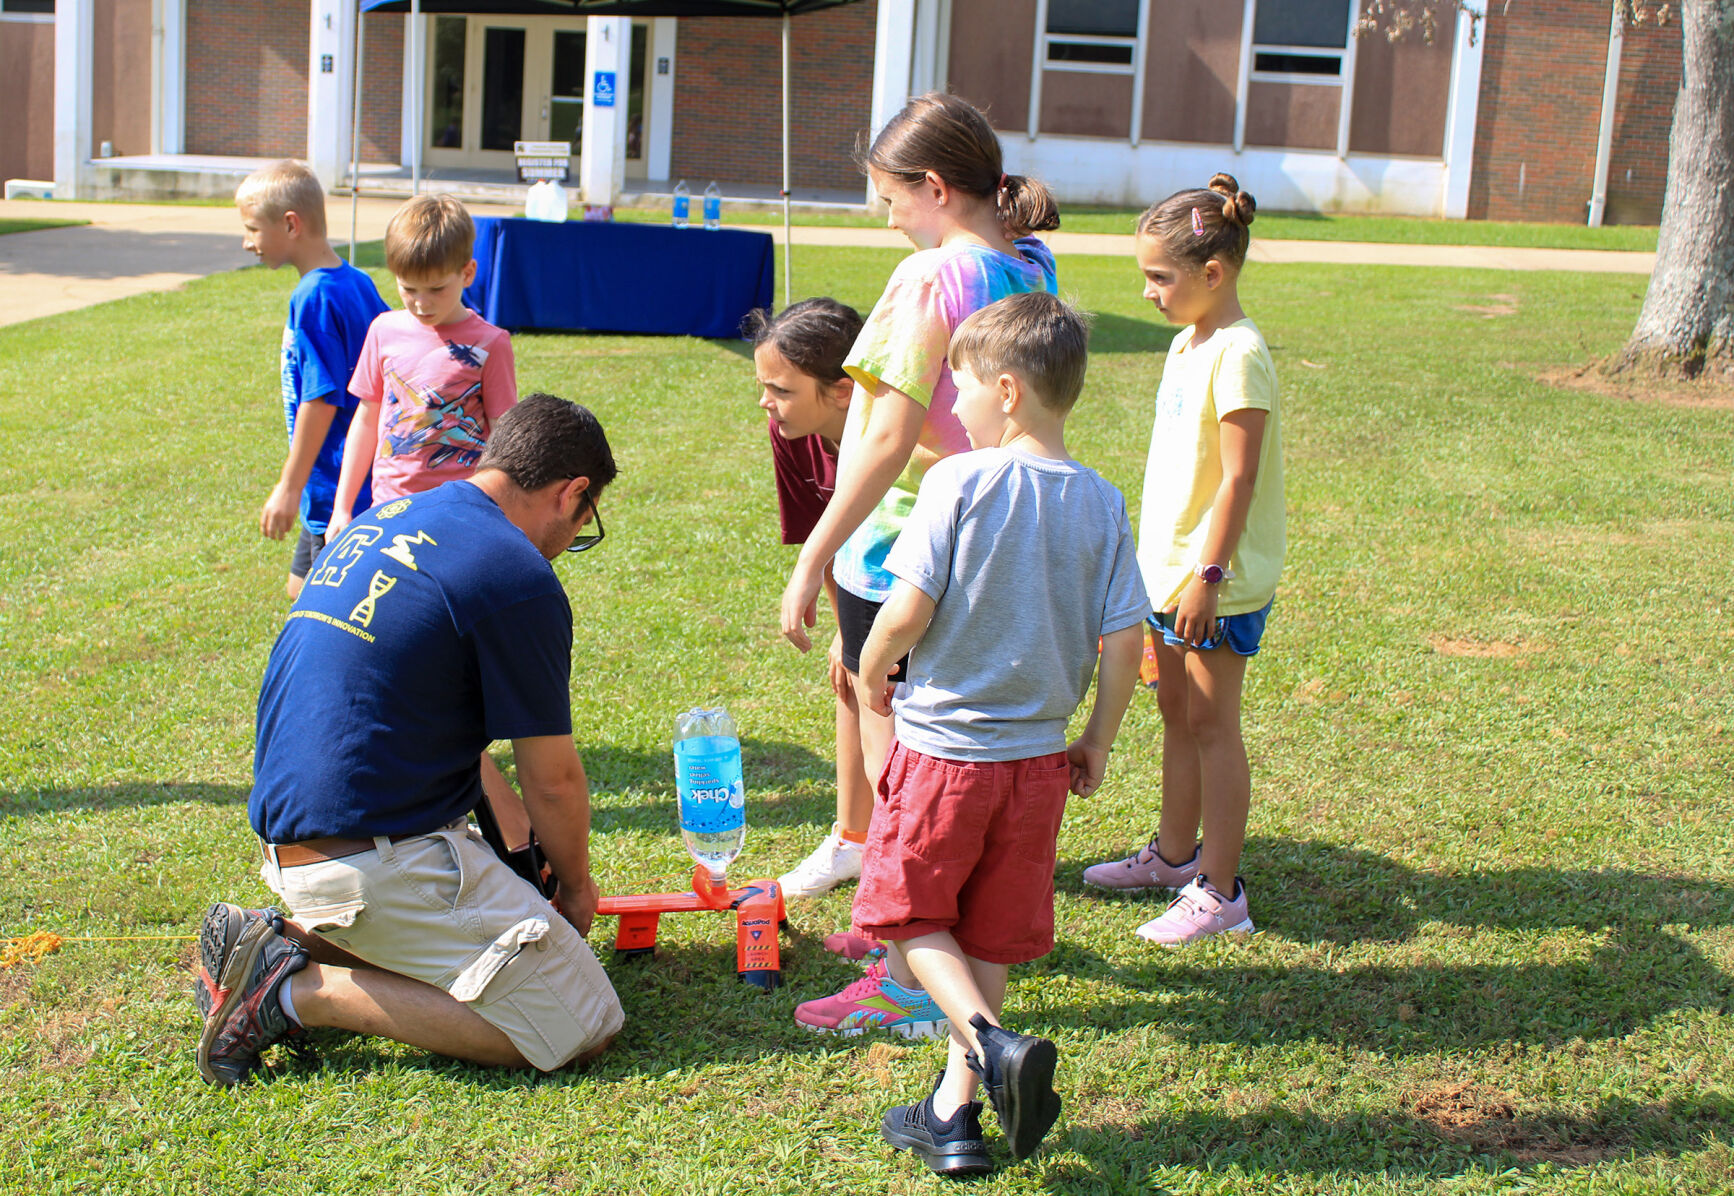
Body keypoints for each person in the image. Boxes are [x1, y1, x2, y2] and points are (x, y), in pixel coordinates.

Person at [807, 292, 1148, 1174]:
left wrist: (872, 661)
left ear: (1005, 391)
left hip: (944, 754)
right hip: (1039, 760)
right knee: (988, 931)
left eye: (956, 387)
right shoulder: (1104, 501)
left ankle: (993, 1046)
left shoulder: (960, 479)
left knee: (904, 909)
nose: (948, 406)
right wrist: (1098, 740)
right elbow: (1122, 642)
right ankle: (955, 1117)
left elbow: (910, 605)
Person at [191, 394, 623, 1085]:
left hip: (300, 847)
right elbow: (554, 780)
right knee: (582, 1021)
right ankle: (294, 992)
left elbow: (455, 738)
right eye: (584, 522)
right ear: (574, 494)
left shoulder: (393, 514)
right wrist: (575, 892)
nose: (573, 541)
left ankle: (280, 942)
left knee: (511, 967)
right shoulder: (517, 574)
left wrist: (518, 861)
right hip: (373, 863)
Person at [779, 93, 1061, 1017]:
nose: (886, 216)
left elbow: (886, 434)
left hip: (902, 548)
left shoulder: (929, 278)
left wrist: (815, 552)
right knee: (942, 744)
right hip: (997, 544)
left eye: (890, 198)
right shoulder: (1032, 265)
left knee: (899, 748)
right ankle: (925, 933)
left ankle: (901, 973)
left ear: (934, 188)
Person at [1083, 173, 1286, 945]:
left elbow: (1239, 477)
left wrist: (1207, 577)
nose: (1148, 293)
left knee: (1210, 722)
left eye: (1160, 277)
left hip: (1215, 582)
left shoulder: (1239, 353)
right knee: (1174, 712)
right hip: (1169, 572)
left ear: (1214, 272)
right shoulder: (1186, 341)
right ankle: (1173, 858)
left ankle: (1222, 892)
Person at [743, 299, 881, 900]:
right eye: (763, 386)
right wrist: (845, 628)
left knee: (893, 706)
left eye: (781, 389)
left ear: (844, 389)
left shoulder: (894, 436)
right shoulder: (791, 434)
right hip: (862, 586)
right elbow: (823, 530)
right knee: (849, 678)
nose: (766, 403)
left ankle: (907, 851)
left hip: (924, 591)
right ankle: (852, 841)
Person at [236, 160, 389, 601]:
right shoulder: (356, 281)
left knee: (329, 612)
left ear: (290, 224)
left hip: (338, 491)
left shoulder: (314, 296)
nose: (247, 243)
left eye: (252, 229)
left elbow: (320, 400)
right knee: (298, 591)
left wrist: (288, 487)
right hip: (339, 490)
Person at [328, 192, 516, 537]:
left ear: (468, 273)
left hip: (460, 516)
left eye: (436, 289)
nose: (420, 303)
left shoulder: (491, 344)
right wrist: (342, 507)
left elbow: (503, 436)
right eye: (408, 288)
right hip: (387, 509)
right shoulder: (384, 330)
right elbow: (367, 420)